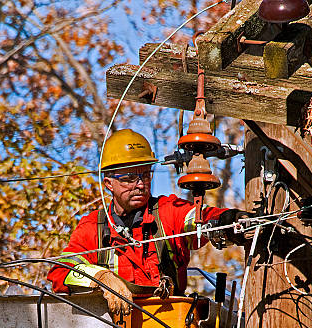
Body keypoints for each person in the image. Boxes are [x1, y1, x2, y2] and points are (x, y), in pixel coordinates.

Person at [48, 129, 246, 315]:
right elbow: (61, 271)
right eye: (130, 178)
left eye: (145, 175)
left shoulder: (167, 213)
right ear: (109, 183)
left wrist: (231, 220)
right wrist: (100, 278)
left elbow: (198, 219)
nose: (140, 184)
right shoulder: (94, 228)